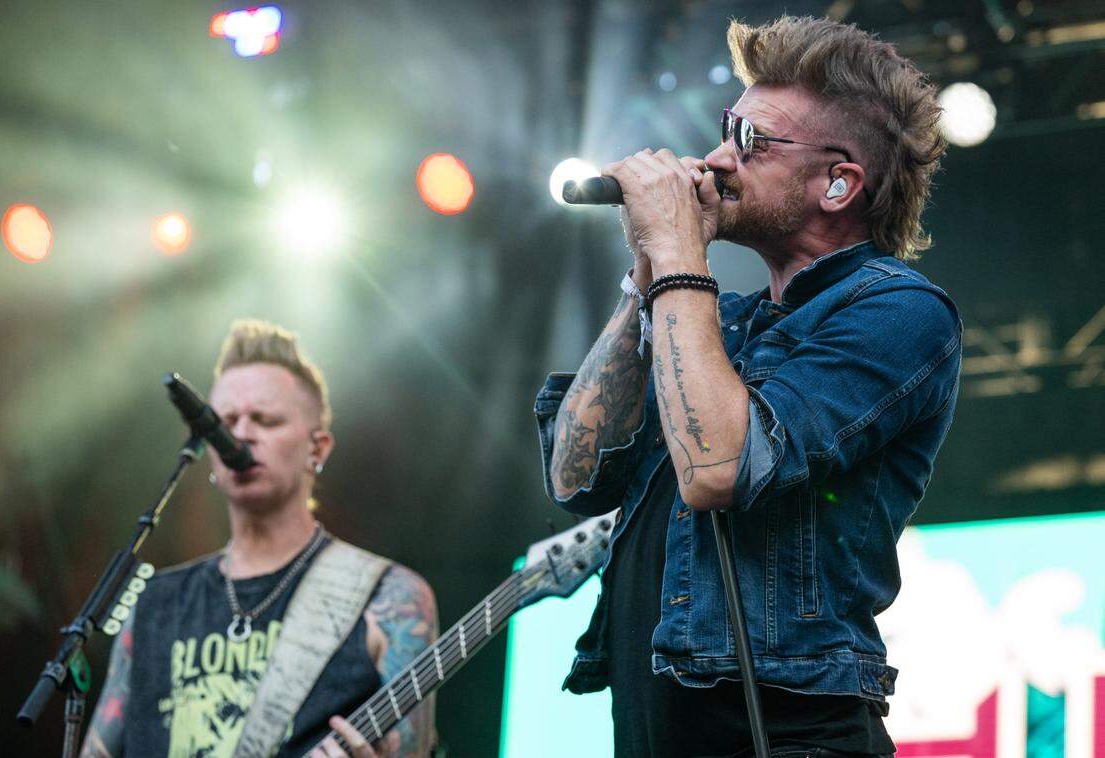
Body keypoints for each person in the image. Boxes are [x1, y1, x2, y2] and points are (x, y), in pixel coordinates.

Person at [536, 15, 960, 757]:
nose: (717, 158)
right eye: (729, 128)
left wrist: (675, 254)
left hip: (786, 739)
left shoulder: (901, 313)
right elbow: (577, 475)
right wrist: (646, 275)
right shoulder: (707, 322)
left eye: (752, 142)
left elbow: (721, 468)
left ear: (838, 182)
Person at [81, 319, 437, 758]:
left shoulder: (389, 597)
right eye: (225, 422)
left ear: (318, 449)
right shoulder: (153, 605)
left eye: (265, 420)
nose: (242, 433)